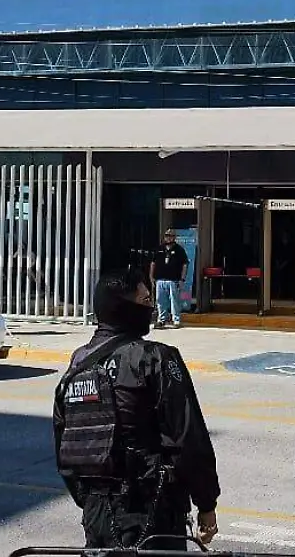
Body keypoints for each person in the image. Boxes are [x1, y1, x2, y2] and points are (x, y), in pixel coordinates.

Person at [53, 268, 220, 551]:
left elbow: (64, 444)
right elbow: (188, 438)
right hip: (152, 512)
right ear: (122, 307)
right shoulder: (154, 358)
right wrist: (206, 503)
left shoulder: (78, 364)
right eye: (145, 301)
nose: (151, 307)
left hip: (97, 515)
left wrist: (92, 499)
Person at [150, 229, 189, 329]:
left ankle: (176, 320)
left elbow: (185, 265)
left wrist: (182, 279)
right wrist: (151, 276)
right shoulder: (159, 249)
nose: (168, 237)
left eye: (170, 236)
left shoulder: (179, 250)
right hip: (160, 279)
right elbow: (153, 263)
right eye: (166, 235)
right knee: (160, 300)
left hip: (173, 279)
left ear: (174, 237)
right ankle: (161, 320)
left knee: (174, 300)